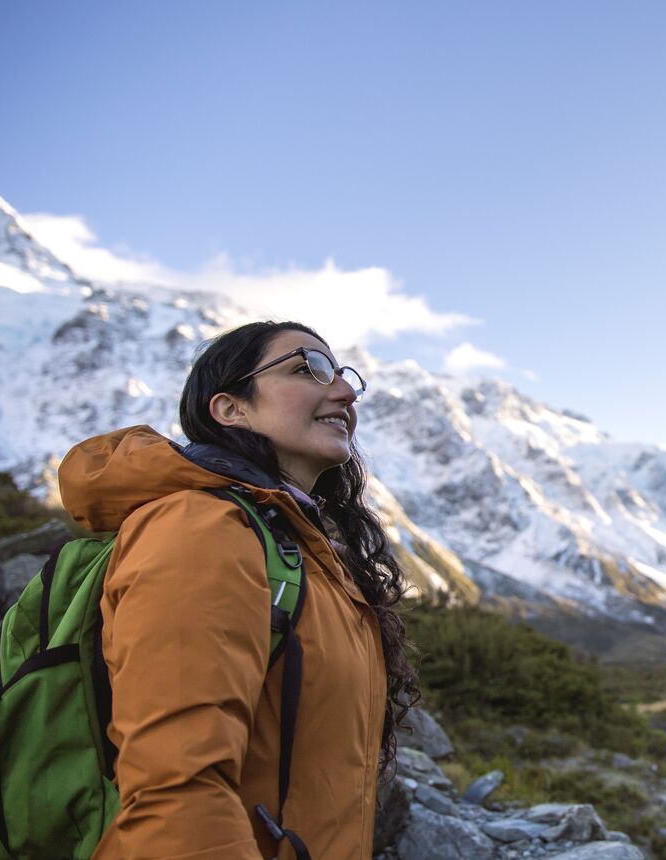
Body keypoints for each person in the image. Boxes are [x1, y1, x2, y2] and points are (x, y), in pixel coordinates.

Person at [58, 320, 417, 859]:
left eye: (342, 374)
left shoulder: (304, 551)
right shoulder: (200, 531)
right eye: (308, 369)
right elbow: (178, 792)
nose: (343, 390)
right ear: (231, 409)